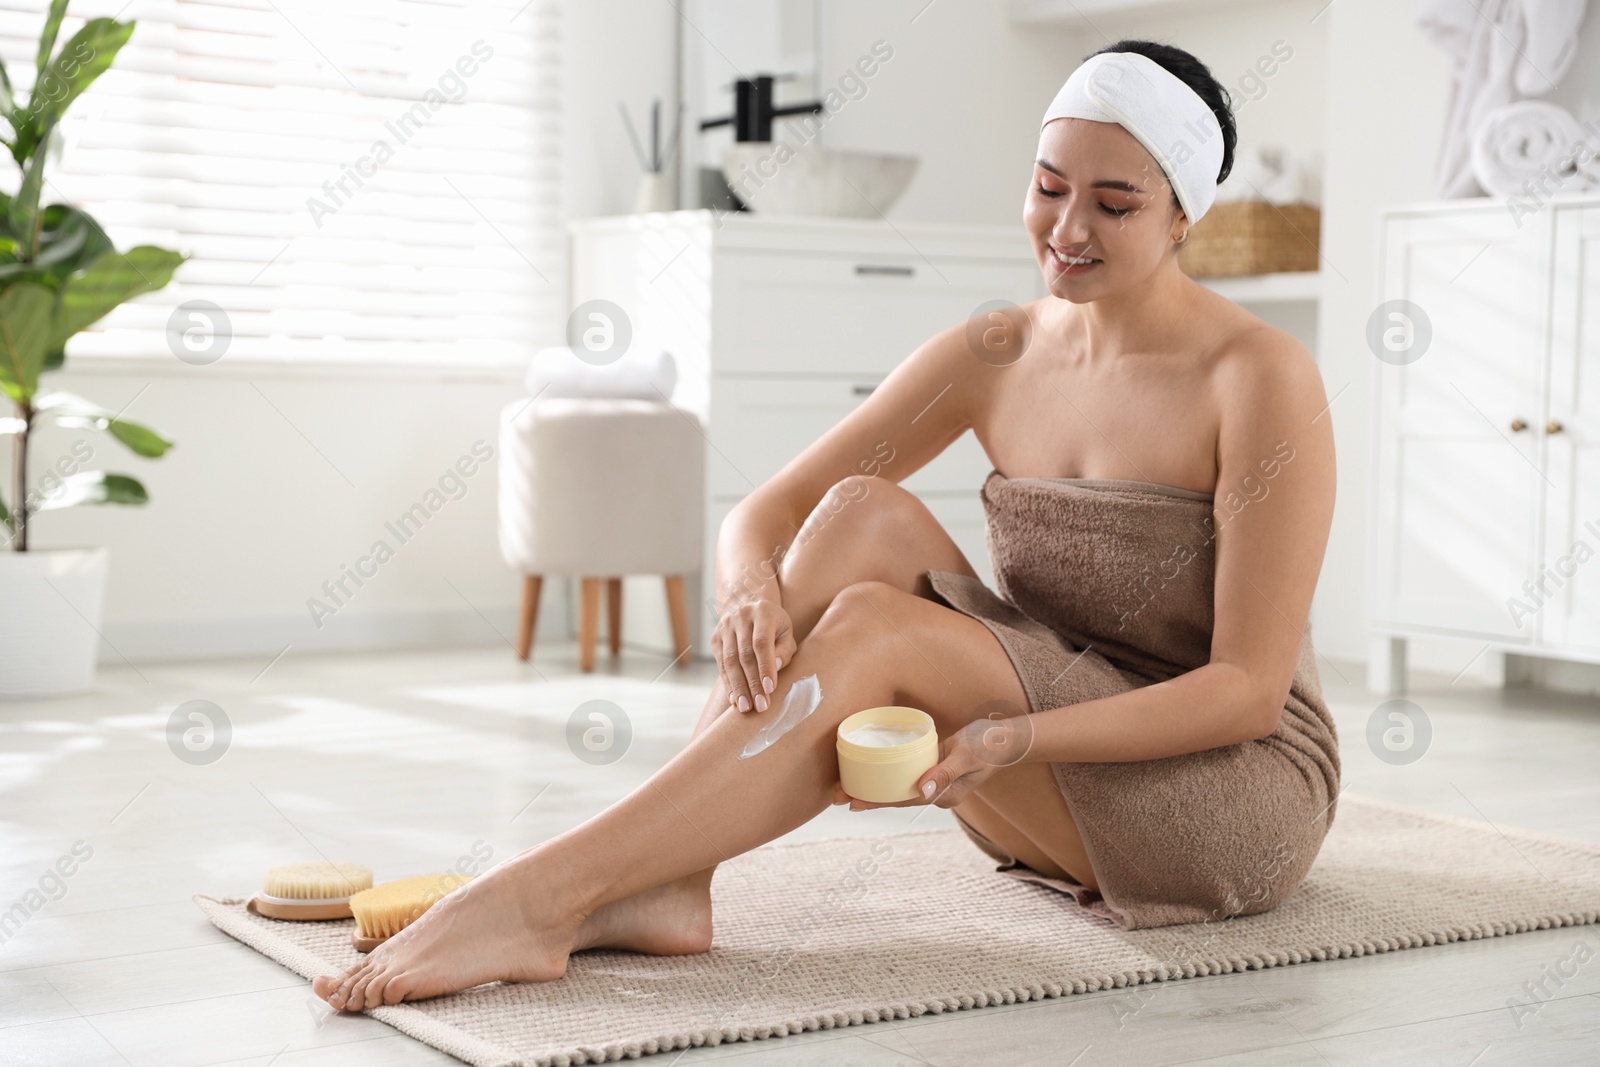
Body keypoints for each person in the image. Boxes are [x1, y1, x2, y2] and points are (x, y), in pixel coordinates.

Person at [313, 37, 1339, 1011]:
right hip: (1043, 717)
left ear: (1180, 220)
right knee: (857, 514)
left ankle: (540, 896)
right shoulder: (996, 347)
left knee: (876, 630)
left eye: (1114, 204)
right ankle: (668, 877)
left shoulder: (1257, 377)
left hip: (1223, 792)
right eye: (1047, 186)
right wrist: (750, 584)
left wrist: (1012, 734)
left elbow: (1245, 694)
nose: (1066, 229)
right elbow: (770, 509)